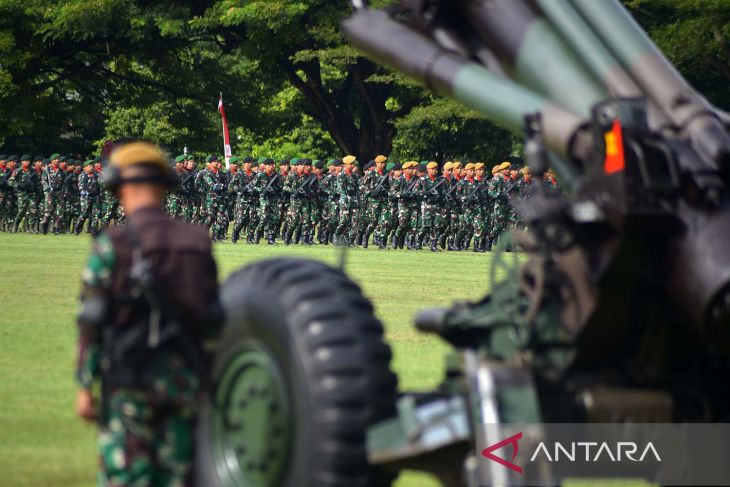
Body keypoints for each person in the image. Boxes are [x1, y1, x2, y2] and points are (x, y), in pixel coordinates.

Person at [74, 140, 221, 486]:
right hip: (185, 379)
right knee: (179, 475)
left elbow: (92, 318)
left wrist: (85, 386)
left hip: (130, 379)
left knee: (126, 475)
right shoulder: (198, 241)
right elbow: (213, 318)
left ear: (119, 188)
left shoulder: (113, 243)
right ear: (165, 187)